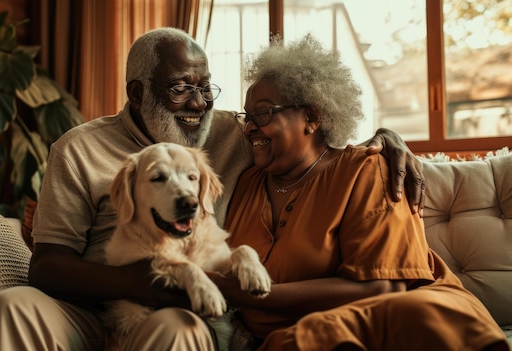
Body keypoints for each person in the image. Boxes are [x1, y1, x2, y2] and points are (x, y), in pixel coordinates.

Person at [0, 28, 426, 351]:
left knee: (177, 329)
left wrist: (387, 135)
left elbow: (311, 139)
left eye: (205, 87)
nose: (199, 103)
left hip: (181, 309)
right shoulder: (78, 149)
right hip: (93, 310)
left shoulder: (237, 133)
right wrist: (140, 283)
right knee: (12, 306)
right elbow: (48, 266)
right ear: (137, 93)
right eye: (180, 89)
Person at [214, 34, 509, 350]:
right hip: (297, 336)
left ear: (312, 117)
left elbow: (384, 289)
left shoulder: (367, 170)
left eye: (263, 112)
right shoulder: (246, 184)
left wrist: (240, 292)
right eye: (247, 116)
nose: (248, 128)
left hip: (400, 319)